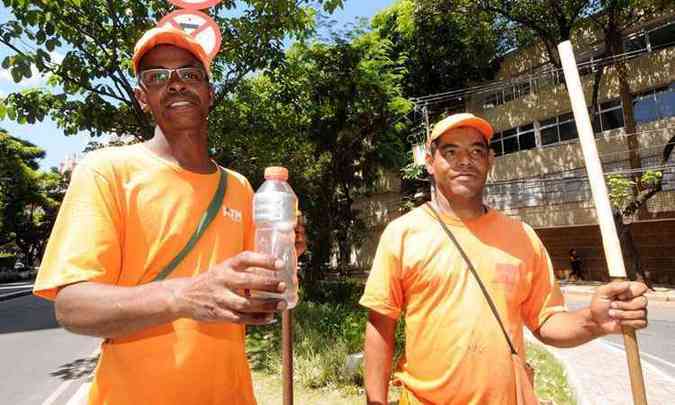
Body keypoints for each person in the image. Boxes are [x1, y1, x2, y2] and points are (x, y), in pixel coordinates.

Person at [33, 26, 306, 405]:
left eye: (190, 74)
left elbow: (254, 291)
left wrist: (285, 256)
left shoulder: (241, 187)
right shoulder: (106, 171)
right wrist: (184, 294)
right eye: (157, 76)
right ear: (142, 97)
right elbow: (72, 306)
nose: (176, 84)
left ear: (209, 93)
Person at [360, 113, 649, 405]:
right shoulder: (403, 234)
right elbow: (380, 327)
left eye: (476, 151)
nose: (465, 160)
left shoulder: (522, 237)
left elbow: (546, 322)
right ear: (429, 162)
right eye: (450, 151)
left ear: (490, 161)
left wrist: (595, 320)